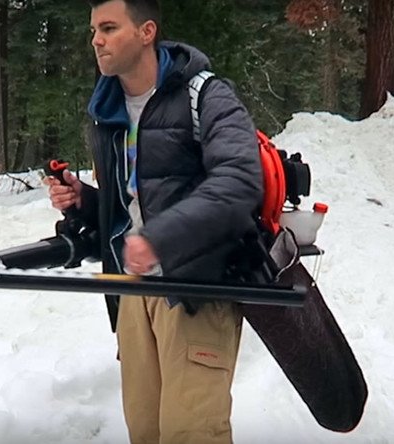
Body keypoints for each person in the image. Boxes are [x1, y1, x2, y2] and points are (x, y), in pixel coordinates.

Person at [46, 0, 262, 442]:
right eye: (93, 31)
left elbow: (240, 182)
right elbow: (137, 199)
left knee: (191, 434)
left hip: (195, 290)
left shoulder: (206, 95)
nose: (97, 41)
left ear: (146, 32)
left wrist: (159, 239)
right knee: (144, 431)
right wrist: (84, 200)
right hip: (133, 291)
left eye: (108, 28)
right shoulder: (107, 109)